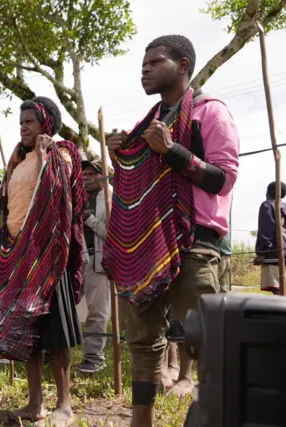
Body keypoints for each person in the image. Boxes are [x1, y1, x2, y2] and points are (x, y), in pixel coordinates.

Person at [103, 35, 239, 427]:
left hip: (194, 242)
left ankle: (213, 416)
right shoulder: (146, 124)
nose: (144, 69)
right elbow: (139, 184)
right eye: (142, 64)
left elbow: (223, 180)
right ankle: (140, 419)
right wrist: (123, 154)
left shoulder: (211, 113)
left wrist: (172, 150)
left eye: (154, 62)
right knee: (142, 342)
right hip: (144, 247)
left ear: (182, 66)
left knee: (209, 340)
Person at [0, 96, 86, 427]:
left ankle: (65, 406)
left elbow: (57, 195)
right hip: (18, 257)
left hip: (47, 257)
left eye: (29, 120)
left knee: (55, 333)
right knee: (29, 335)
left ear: (47, 123)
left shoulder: (63, 153)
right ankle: (34, 404)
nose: (23, 126)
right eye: (21, 122)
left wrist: (44, 158)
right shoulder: (19, 160)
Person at [77, 160, 110, 374]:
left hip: (98, 262)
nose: (87, 177)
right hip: (77, 261)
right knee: (67, 310)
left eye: (92, 173)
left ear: (102, 175)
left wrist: (88, 219)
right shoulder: (75, 196)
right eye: (84, 173)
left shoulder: (110, 197)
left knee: (97, 312)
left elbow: (112, 234)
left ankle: (94, 357)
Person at [254, 181, 286, 295]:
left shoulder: (267, 205)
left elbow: (266, 230)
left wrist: (263, 253)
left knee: (279, 293)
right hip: (284, 256)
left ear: (268, 193)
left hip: (273, 256)